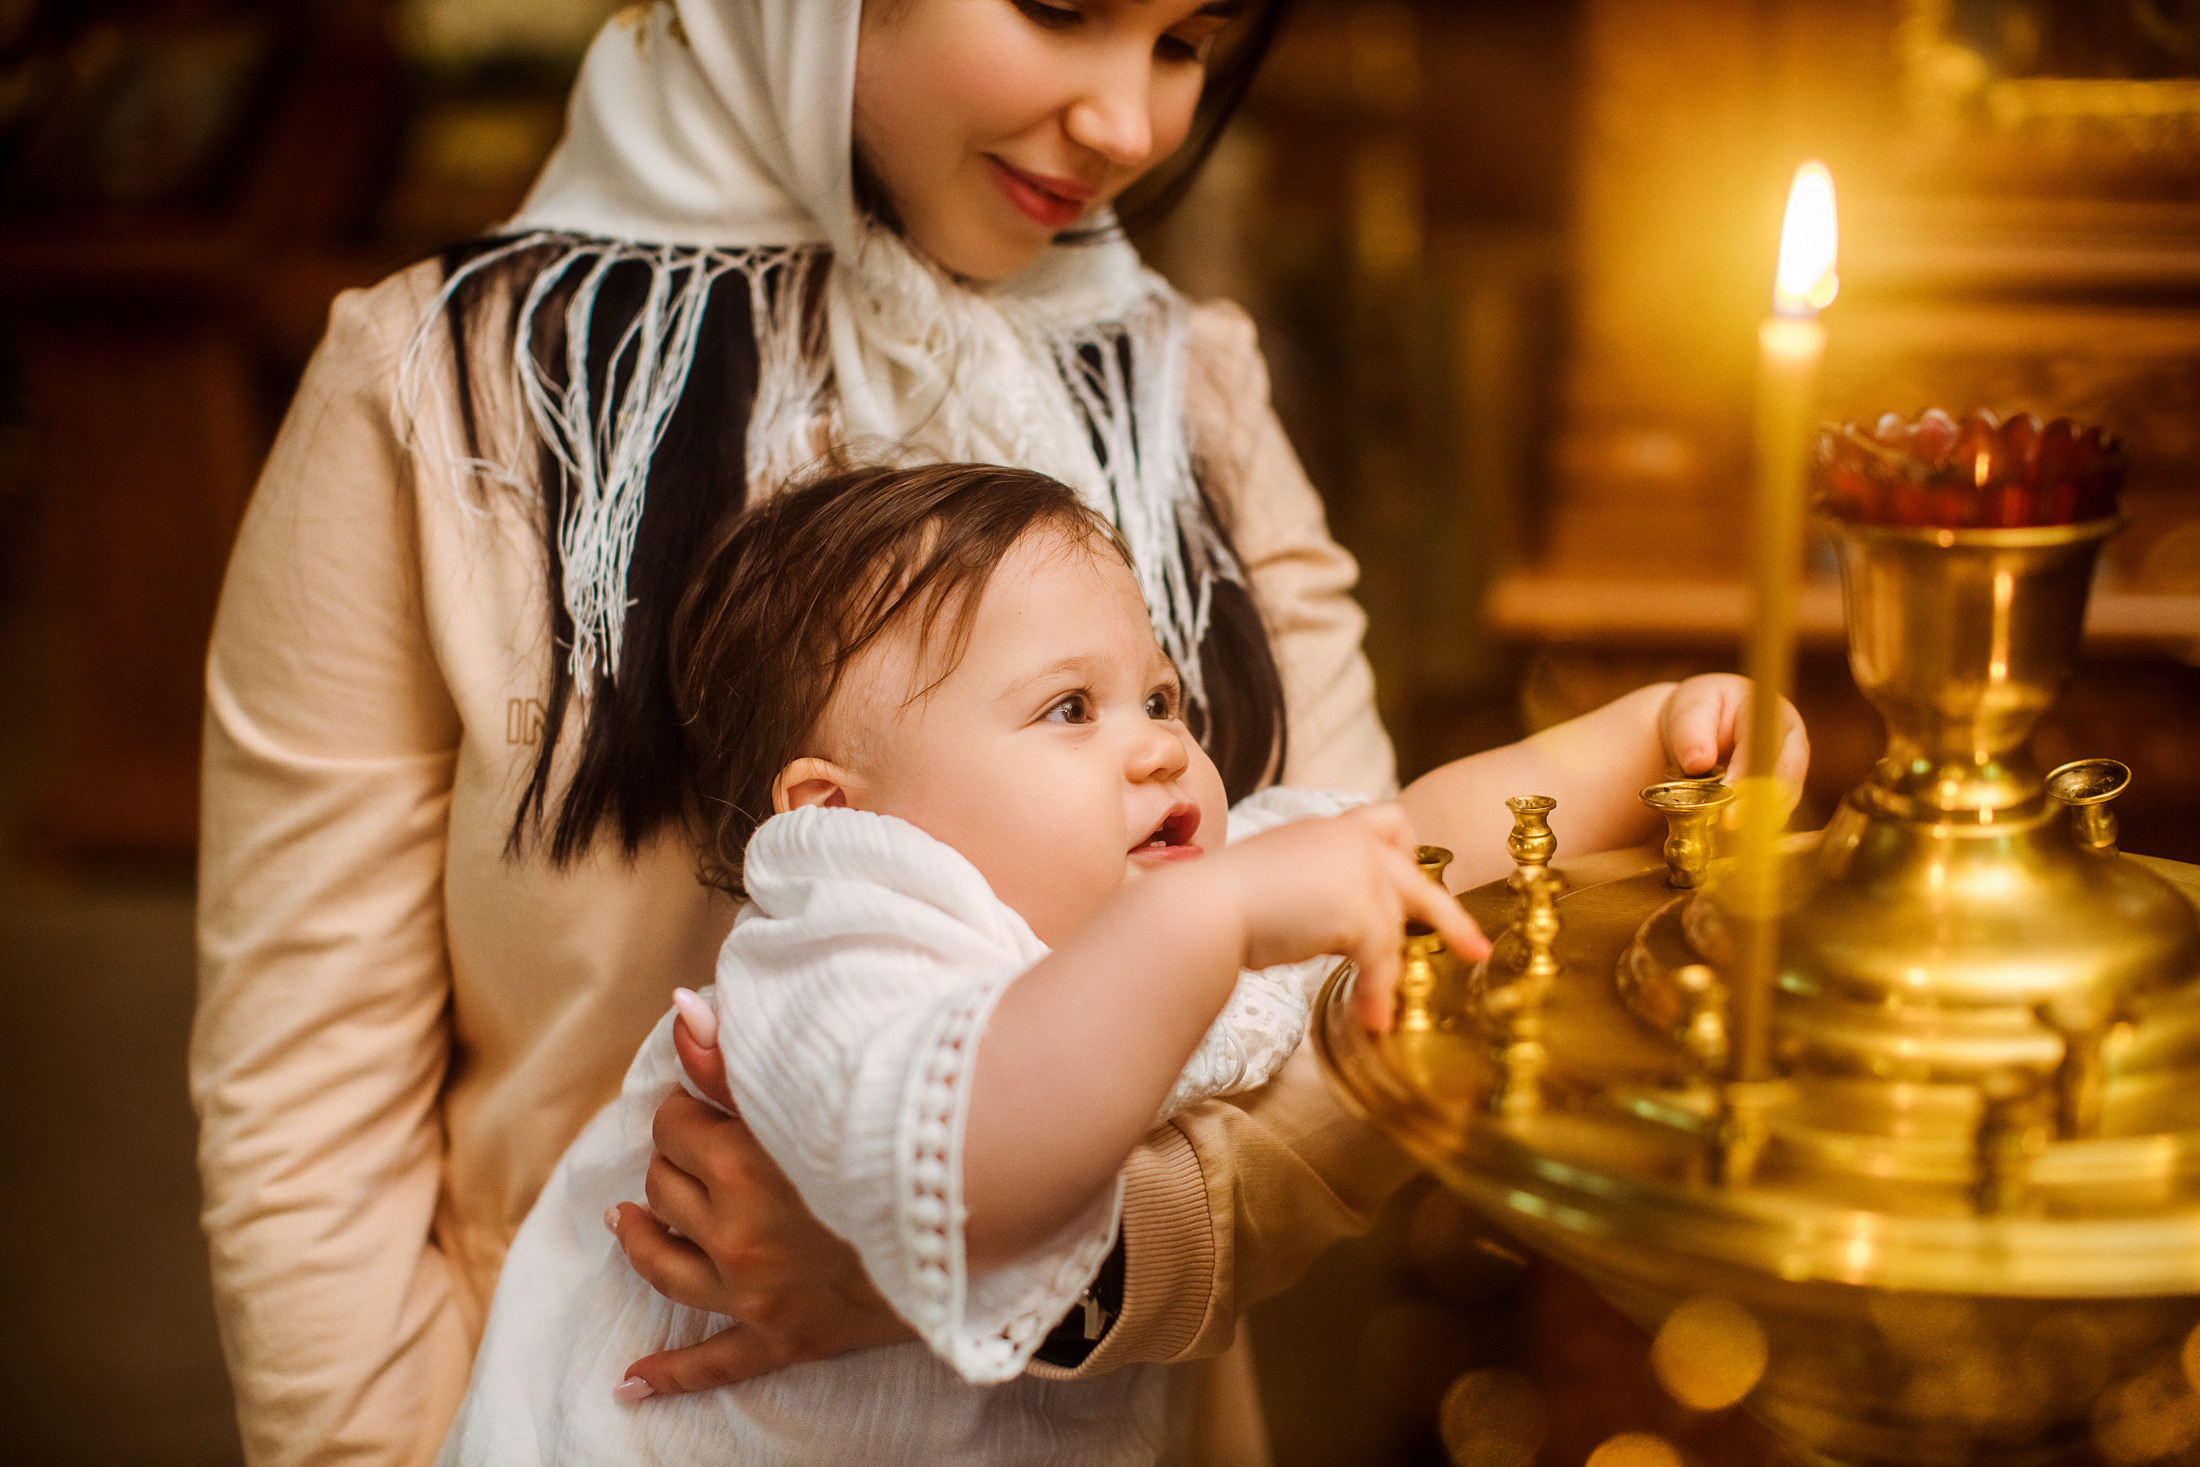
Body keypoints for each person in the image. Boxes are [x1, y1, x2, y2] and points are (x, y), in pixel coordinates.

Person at [191, 3, 1808, 1465]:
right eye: (1063, 9)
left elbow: (1363, 989)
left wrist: (995, 1262)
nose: (1131, 123)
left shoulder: (1190, 395)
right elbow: (304, 1114)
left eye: (1188, 41)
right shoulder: (444, 396)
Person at [435, 460, 1780, 1466]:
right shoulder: (846, 938)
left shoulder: (1189, 886)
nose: (1153, 745)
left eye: (1159, 698)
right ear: (835, 814)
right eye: (1069, 709)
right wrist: (1210, 926)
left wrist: (1650, 744)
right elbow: (966, 1173)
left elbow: (1424, 837)